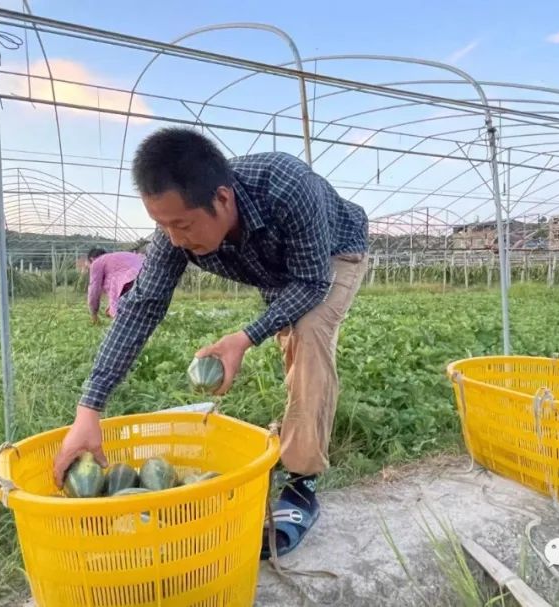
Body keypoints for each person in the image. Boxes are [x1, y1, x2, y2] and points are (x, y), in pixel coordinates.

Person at [52, 126, 369, 559]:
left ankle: (302, 482)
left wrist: (243, 337)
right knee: (292, 342)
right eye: (162, 226)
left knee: (309, 332)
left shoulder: (288, 186)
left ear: (222, 198)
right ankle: (295, 435)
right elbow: (142, 307)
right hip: (277, 274)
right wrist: (89, 409)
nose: (175, 239)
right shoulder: (173, 234)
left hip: (332, 256)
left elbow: (312, 283)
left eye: (182, 224)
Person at [85, 247, 144, 321]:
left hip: (130, 279)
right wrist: (111, 306)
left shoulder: (97, 262)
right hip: (146, 275)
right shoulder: (115, 258)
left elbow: (94, 290)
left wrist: (94, 314)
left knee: (124, 315)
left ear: (91, 259)